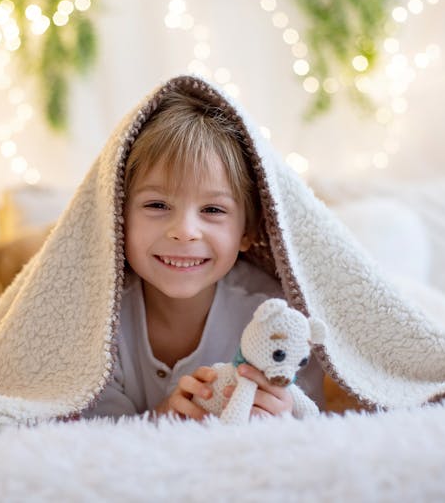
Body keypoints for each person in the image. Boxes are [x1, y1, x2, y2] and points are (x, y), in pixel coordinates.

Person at [83, 89, 316, 420]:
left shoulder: (275, 318)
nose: (185, 230)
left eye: (212, 209)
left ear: (247, 232)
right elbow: (92, 438)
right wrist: (162, 418)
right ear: (119, 217)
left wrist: (283, 413)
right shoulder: (95, 322)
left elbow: (317, 415)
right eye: (157, 205)